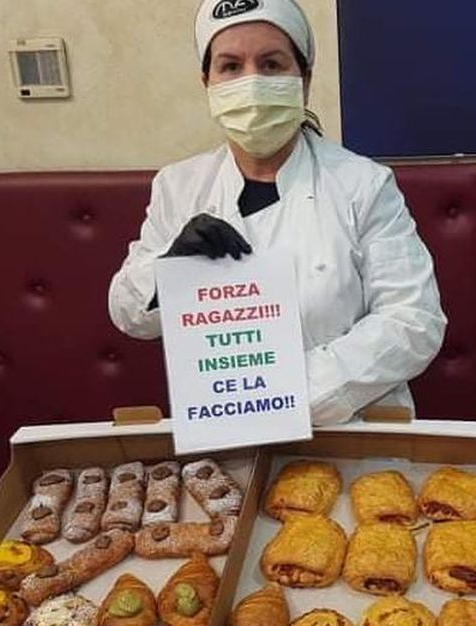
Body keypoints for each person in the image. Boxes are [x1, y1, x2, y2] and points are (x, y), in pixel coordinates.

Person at [108, 0, 446, 426]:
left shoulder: (363, 184)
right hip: (226, 432)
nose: (251, 83)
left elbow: (413, 321)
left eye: (271, 64)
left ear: (304, 79)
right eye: (231, 66)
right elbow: (129, 315)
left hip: (348, 428)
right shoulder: (178, 187)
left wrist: (282, 391)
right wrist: (165, 271)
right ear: (207, 82)